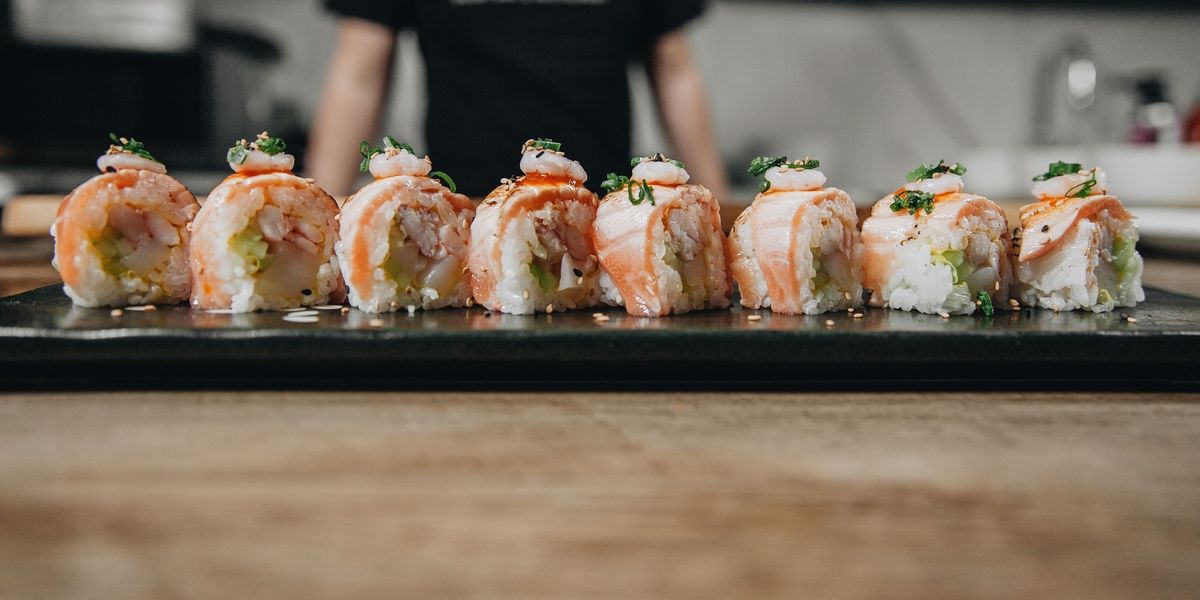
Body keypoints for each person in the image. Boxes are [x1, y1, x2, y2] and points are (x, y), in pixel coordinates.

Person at [307, 0, 729, 200]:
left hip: (604, 207)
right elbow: (358, 73)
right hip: (461, 213)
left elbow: (675, 72)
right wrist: (320, 211)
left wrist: (718, 206)